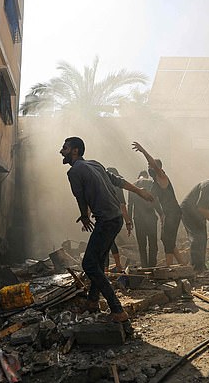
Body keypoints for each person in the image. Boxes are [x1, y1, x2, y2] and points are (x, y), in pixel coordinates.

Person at [60, 137, 153, 324]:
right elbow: (118, 181)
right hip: (116, 219)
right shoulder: (95, 164)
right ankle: (93, 301)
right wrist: (139, 191)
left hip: (107, 221)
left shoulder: (74, 171)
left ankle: (117, 310)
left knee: (89, 264)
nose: (62, 151)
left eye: (65, 148)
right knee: (99, 261)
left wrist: (85, 215)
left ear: (75, 151)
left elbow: (80, 197)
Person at [132, 142, 184, 266]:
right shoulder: (155, 184)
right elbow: (151, 199)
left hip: (174, 212)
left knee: (168, 240)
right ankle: (182, 264)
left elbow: (154, 164)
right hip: (167, 213)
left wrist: (143, 151)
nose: (149, 168)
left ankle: (169, 267)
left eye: (150, 165)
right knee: (166, 239)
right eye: (148, 165)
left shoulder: (162, 176)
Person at [128, 171, 164, 267]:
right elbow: (155, 201)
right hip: (151, 218)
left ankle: (144, 266)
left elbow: (130, 205)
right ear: (147, 176)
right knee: (152, 243)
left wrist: (129, 220)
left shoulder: (132, 186)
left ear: (138, 176)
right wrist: (161, 214)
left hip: (138, 219)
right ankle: (152, 265)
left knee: (141, 244)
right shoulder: (151, 183)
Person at [106, 167, 133, 273]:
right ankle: (117, 266)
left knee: (108, 243)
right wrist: (127, 222)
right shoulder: (117, 187)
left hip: (107, 218)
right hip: (116, 219)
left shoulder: (105, 186)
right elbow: (123, 206)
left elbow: (122, 206)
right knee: (110, 242)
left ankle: (109, 268)